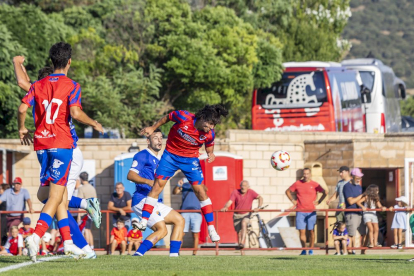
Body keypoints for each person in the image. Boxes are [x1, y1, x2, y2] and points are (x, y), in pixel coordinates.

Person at [17, 42, 103, 261]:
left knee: (55, 197)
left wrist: (22, 128)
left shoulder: (38, 85)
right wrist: (94, 123)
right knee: (53, 197)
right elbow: (75, 111)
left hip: (42, 145)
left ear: (51, 60)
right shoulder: (72, 85)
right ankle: (38, 236)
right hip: (63, 147)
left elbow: (21, 104)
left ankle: (71, 243)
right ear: (70, 62)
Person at [137, 105, 229, 244]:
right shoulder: (183, 116)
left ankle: (211, 228)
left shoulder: (210, 134)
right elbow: (167, 118)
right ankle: (143, 221)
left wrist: (211, 154)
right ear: (203, 118)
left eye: (214, 125)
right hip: (170, 157)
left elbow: (209, 147)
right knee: (157, 187)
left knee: (201, 192)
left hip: (190, 160)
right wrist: (153, 127)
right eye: (210, 124)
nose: (211, 127)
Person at [127, 129, 185, 257]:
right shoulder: (142, 155)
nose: (159, 140)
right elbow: (130, 175)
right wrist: (148, 182)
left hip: (155, 201)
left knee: (179, 220)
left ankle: (174, 257)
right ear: (148, 141)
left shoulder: (161, 158)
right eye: (155, 138)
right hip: (142, 200)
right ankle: (138, 255)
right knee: (162, 230)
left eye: (160, 137)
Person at [285, 168, 327, 255]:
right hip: (300, 210)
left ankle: (311, 249)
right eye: (304, 174)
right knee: (302, 231)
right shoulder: (298, 183)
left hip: (311, 211)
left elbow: (325, 192)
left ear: (310, 174)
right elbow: (287, 191)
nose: (306, 175)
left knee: (311, 231)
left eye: (307, 174)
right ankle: (304, 249)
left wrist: (319, 201)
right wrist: (293, 201)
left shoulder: (315, 184)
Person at [221, 180, 263, 250]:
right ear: (240, 186)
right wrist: (226, 207)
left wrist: (258, 207)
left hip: (246, 214)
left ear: (248, 187)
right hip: (237, 215)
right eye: (242, 186)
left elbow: (260, 198)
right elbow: (230, 201)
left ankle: (242, 242)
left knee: (244, 223)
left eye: (245, 186)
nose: (243, 187)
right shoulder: (235, 192)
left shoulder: (251, 192)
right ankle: (241, 248)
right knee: (239, 232)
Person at [173, 177, 204, 255]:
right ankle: (178, 251)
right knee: (182, 233)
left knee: (196, 234)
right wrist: (178, 184)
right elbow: (175, 192)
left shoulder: (198, 184)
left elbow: (205, 190)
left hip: (196, 212)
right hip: (185, 211)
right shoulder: (184, 185)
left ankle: (194, 253)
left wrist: (196, 183)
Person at [343, 168, 367, 255]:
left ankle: (363, 252)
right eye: (357, 177)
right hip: (351, 213)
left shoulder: (359, 187)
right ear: (352, 176)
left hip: (360, 213)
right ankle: (350, 251)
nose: (359, 179)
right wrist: (362, 195)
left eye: (360, 177)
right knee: (351, 234)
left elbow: (360, 200)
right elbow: (350, 201)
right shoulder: (347, 186)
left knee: (364, 233)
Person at [77, 171, 98, 249]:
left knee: (85, 230)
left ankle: (87, 246)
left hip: (84, 212)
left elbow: (79, 202)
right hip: (92, 212)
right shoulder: (92, 188)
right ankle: (91, 246)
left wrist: (79, 215)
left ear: (81, 179)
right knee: (89, 229)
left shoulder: (81, 188)